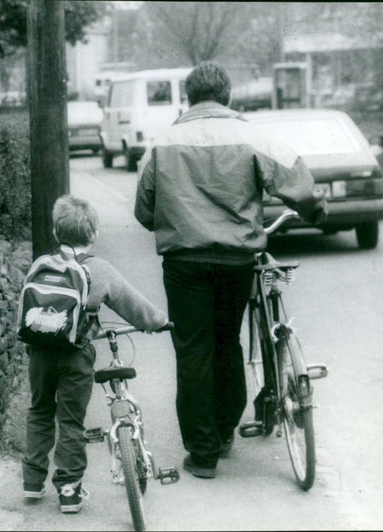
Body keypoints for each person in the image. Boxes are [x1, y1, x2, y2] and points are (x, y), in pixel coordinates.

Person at [134, 61, 327, 479]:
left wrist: (174, 220)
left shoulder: (163, 141)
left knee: (192, 350)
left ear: (188, 97)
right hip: (236, 260)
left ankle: (202, 454)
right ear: (228, 95)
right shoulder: (250, 134)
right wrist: (314, 208)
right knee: (227, 343)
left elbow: (144, 210)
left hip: (184, 263)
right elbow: (296, 180)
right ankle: (224, 432)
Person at [22, 194, 170, 513]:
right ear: (94, 234)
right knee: (71, 421)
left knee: (39, 411)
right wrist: (159, 323)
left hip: (40, 355)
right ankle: (69, 491)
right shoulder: (98, 270)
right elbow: (135, 306)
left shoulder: (40, 264)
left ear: (55, 231)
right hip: (75, 356)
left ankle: (32, 483)